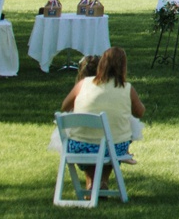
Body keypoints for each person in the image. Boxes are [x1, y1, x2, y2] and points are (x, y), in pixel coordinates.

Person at [59, 47, 144, 186]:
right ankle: (102, 180)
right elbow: (140, 112)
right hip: (112, 149)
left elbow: (65, 106)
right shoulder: (126, 88)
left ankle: (92, 182)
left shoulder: (82, 84)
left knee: (95, 137)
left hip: (78, 146)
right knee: (115, 136)